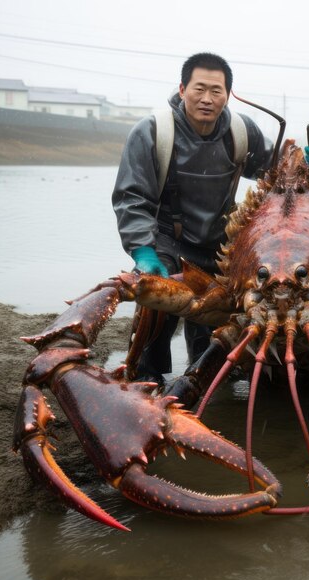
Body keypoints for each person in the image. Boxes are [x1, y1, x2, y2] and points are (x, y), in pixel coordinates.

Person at [113, 52, 274, 385]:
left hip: (219, 241)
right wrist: (143, 250)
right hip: (166, 237)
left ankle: (210, 379)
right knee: (157, 302)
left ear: (228, 94)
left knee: (216, 327)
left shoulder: (241, 132)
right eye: (199, 88)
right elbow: (132, 197)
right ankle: (148, 375)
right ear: (182, 88)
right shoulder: (152, 131)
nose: (207, 98)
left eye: (216, 91)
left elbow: (276, 170)